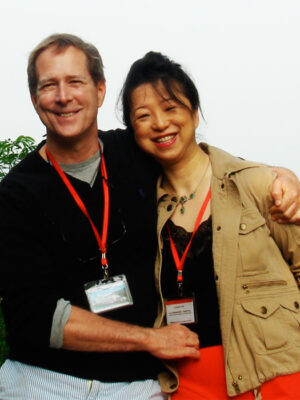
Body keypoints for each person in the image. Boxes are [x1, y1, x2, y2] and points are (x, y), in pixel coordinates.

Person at [0, 34, 298, 400]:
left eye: (75, 81)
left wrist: (279, 176)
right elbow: (33, 315)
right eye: (49, 85)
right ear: (34, 98)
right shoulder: (15, 194)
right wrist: (149, 338)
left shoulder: (135, 152)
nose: (64, 96)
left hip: (138, 386)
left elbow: (209, 168)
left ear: (100, 90)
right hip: (44, 379)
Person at [120, 51, 300, 399]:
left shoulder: (258, 185)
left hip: (273, 377)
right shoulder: (141, 207)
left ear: (195, 112)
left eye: (171, 108)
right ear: (133, 129)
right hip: (184, 384)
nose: (160, 123)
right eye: (144, 115)